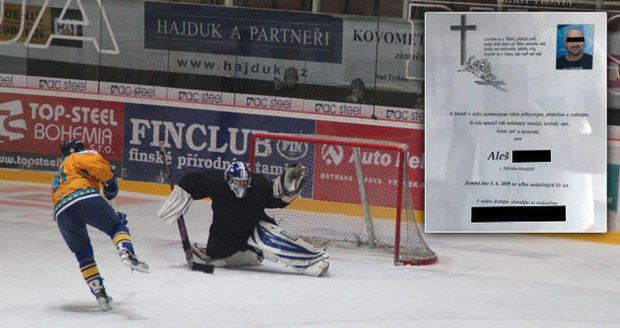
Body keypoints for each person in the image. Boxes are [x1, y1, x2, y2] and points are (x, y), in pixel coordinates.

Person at [157, 161, 329, 277]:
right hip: (223, 235)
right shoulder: (217, 182)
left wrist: (291, 193)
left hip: (253, 227)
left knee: (275, 239)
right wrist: (180, 195)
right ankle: (247, 255)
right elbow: (192, 181)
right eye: (238, 183)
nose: (242, 186)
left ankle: (314, 260)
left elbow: (277, 199)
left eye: (245, 182)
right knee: (216, 256)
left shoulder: (258, 185)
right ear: (229, 180)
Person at [52, 139, 149, 311]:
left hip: (61, 213)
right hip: (84, 198)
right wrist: (110, 181)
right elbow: (98, 166)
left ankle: (100, 294)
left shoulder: (60, 171)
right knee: (117, 225)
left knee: (82, 253)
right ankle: (126, 252)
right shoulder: (78, 156)